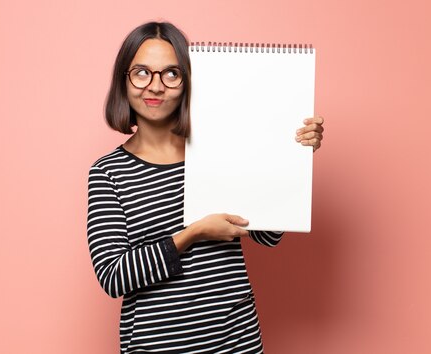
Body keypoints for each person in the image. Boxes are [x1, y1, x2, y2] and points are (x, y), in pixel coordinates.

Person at [86, 21, 324, 353]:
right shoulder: (108, 172)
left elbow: (267, 235)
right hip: (155, 344)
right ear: (123, 81)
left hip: (236, 340)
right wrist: (193, 233)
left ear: (187, 82)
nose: (155, 86)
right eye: (142, 73)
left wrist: (292, 159)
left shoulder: (219, 151)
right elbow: (113, 276)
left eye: (171, 74)